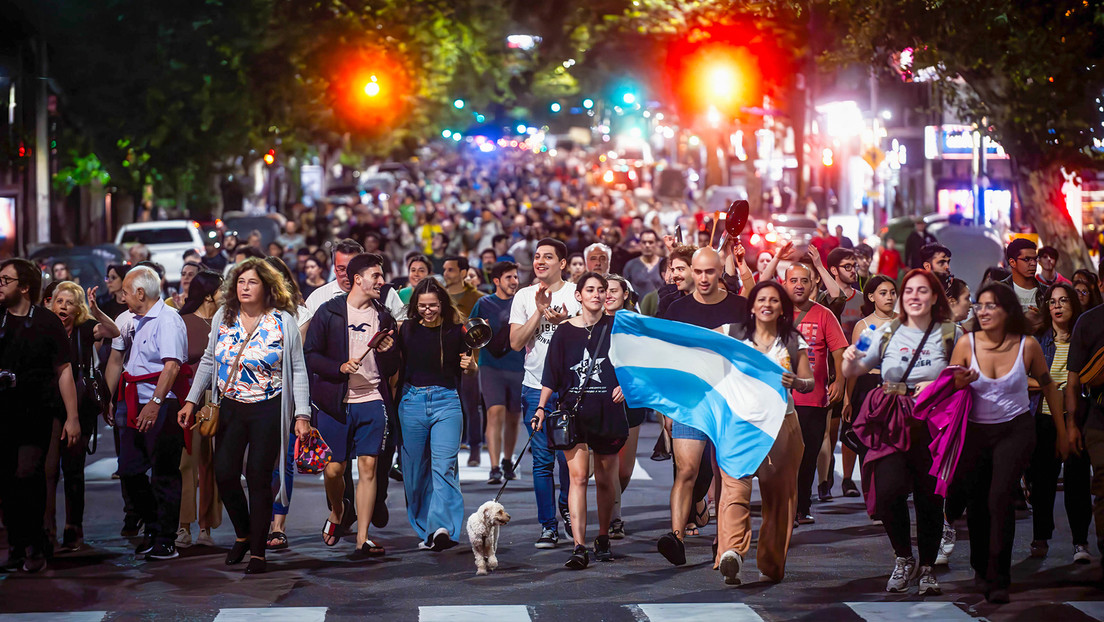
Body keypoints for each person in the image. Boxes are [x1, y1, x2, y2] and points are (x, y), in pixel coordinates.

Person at [179, 258, 311, 574]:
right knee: (225, 474)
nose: (244, 287)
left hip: (269, 406)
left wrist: (302, 414)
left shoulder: (283, 321)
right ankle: (243, 533)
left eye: (251, 282)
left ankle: (257, 552)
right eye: (240, 282)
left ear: (267, 287)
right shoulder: (223, 320)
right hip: (230, 406)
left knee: (258, 476)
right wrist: (190, 401)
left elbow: (298, 369)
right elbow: (209, 362)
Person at [842, 269, 967, 596]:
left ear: (935, 297)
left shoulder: (953, 332)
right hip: (892, 419)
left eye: (922, 291)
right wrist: (849, 359)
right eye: (908, 290)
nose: (914, 296)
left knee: (930, 497)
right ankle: (903, 557)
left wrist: (941, 384)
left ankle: (927, 568)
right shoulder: (880, 331)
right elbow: (852, 366)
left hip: (933, 422)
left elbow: (968, 374)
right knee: (888, 493)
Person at [948, 281, 1066, 603]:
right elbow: (948, 389)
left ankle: (1000, 576)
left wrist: (1063, 433)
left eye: (991, 306)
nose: (982, 311)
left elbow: (1049, 385)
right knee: (977, 502)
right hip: (974, 431)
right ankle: (980, 568)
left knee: (1000, 496)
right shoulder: (966, 344)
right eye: (979, 305)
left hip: (1015, 429)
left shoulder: (1027, 345)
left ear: (1007, 310)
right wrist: (959, 382)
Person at [304, 253, 400, 557]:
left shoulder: (384, 316)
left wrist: (389, 350)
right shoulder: (328, 312)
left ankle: (362, 537)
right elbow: (311, 355)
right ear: (358, 279)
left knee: (368, 467)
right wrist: (339, 367)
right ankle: (338, 509)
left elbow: (394, 364)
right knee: (334, 470)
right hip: (334, 402)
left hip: (371, 398)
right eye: (376, 276)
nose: (381, 282)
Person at [532, 272, 629, 569]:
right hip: (573, 415)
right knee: (577, 479)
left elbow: (635, 364)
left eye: (602, 290)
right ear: (579, 295)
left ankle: (602, 537)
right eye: (590, 290)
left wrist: (628, 385)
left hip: (608, 414)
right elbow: (551, 373)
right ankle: (578, 546)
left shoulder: (617, 328)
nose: (597, 295)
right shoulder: (563, 332)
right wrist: (540, 408)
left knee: (604, 480)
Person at [657, 247, 748, 566]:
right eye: (698, 271)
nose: (704, 277)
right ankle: (676, 537)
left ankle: (723, 537)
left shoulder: (740, 307)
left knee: (725, 472)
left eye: (710, 271)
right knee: (686, 470)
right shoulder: (677, 309)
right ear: (691, 272)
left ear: (720, 272)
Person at [718, 280, 812, 585]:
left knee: (779, 500)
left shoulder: (793, 341)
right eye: (761, 299)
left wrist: (796, 382)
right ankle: (732, 552)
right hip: (739, 426)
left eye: (773, 300)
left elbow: (809, 381)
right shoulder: (732, 333)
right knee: (735, 489)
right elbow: (699, 347)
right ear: (752, 305)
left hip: (781, 427)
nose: (767, 305)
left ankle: (771, 564)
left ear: (781, 307)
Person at [0, 259, 82, 572]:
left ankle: (37, 543)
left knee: (28, 474)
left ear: (24, 287)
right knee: (6, 480)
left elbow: (64, 370)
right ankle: (18, 546)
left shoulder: (47, 322)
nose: (0, 285)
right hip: (3, 411)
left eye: (6, 279)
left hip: (35, 410)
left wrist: (72, 417)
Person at [104, 266, 189, 562]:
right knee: (129, 469)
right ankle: (152, 528)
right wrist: (110, 397)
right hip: (132, 400)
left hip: (160, 403)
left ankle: (166, 538)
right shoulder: (133, 320)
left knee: (164, 472)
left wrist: (154, 402)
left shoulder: (168, 321)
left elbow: (172, 366)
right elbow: (119, 360)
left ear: (140, 293)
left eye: (125, 292)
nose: (122, 296)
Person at [509, 238, 580, 548]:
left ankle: (567, 507)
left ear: (562, 263)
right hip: (534, 388)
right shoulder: (524, 296)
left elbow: (590, 336)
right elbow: (514, 343)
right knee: (541, 462)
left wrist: (565, 323)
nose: (540, 261)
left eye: (548, 257)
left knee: (569, 461)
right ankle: (547, 526)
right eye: (537, 257)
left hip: (570, 391)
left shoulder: (575, 294)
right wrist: (538, 313)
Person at [396, 278, 476, 551]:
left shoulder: (457, 331)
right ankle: (426, 527)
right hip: (411, 402)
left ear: (442, 304)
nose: (427, 310)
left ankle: (443, 528)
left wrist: (471, 365)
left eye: (432, 305)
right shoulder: (405, 330)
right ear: (414, 306)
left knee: (444, 467)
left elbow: (469, 365)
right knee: (415, 472)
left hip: (447, 402)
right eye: (422, 306)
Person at [45, 282, 120, 553]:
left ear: (78, 309)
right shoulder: (46, 329)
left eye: (69, 302)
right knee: (49, 470)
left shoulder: (85, 329)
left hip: (81, 408)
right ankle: (47, 530)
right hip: (52, 407)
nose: (63, 306)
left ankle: (73, 529)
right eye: (59, 301)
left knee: (73, 469)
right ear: (51, 303)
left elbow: (113, 331)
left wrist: (97, 310)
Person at [1026, 283, 1093, 565]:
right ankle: (1040, 537)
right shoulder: (1039, 340)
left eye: (1063, 300)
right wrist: (1050, 386)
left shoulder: (1085, 338)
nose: (1057, 305)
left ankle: (1080, 542)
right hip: (1044, 417)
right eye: (1052, 301)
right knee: (1042, 483)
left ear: (1073, 305)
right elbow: (1022, 377)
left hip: (1076, 418)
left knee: (1078, 482)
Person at [783, 261, 846, 523]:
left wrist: (840, 381)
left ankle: (802, 506)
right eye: (793, 280)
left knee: (808, 455)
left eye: (804, 281)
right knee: (785, 457)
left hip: (814, 399)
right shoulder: (775, 313)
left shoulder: (824, 314)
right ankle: (785, 507)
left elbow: (839, 351)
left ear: (812, 285)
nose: (799, 285)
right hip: (781, 401)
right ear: (784, 284)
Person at [174, 271, 223, 550]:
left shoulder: (225, 323)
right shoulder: (182, 322)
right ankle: (183, 525)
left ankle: (206, 526)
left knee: (211, 463)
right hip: (189, 398)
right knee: (187, 462)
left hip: (218, 399)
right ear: (208, 294)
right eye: (221, 289)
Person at [841, 275, 898, 498]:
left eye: (893, 292)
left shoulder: (904, 322)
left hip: (896, 388)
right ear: (872, 297)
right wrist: (847, 398)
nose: (889, 297)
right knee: (869, 447)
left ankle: (892, 495)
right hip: (868, 388)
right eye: (883, 293)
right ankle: (873, 500)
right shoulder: (864, 327)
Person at [470, 262, 524, 485]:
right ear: (496, 281)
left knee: (513, 417)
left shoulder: (523, 302)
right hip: (490, 366)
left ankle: (507, 461)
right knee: (495, 412)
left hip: (520, 366)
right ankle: (493, 466)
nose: (514, 281)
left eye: (515, 277)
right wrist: (471, 359)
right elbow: (469, 330)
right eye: (509, 277)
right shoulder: (483, 303)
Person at [603, 273, 644, 538]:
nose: (607, 294)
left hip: (630, 398)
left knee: (625, 470)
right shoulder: (590, 321)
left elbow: (644, 362)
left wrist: (629, 388)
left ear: (625, 295)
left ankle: (610, 505)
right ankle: (614, 517)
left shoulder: (635, 323)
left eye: (613, 290)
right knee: (607, 465)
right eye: (603, 289)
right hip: (600, 398)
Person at [1000, 238, 1047, 314]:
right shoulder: (999, 291)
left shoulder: (1046, 292)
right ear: (1012, 262)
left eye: (1035, 259)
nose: (1033, 263)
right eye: (1027, 259)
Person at [622, 230, 665, 296]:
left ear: (656, 244)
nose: (647, 245)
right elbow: (625, 290)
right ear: (640, 244)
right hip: (637, 305)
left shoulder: (664, 264)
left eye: (650, 242)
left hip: (661, 305)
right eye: (644, 242)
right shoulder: (630, 265)